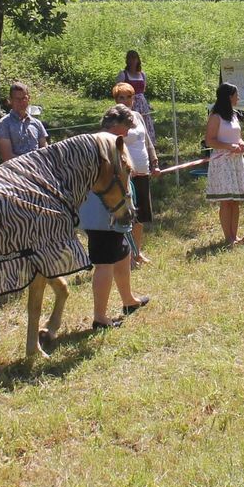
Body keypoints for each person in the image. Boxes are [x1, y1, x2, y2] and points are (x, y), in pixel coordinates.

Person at [79, 105, 151, 329]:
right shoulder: (103, 142)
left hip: (114, 211)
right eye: (126, 127)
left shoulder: (108, 142)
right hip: (102, 214)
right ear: (116, 124)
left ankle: (128, 300)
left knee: (122, 253)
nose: (128, 132)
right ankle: (100, 318)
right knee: (104, 263)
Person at [112, 82, 158, 264]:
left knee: (140, 216)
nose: (125, 101)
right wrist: (124, 170)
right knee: (126, 216)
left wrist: (154, 161)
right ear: (115, 100)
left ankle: (137, 253)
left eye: (128, 97)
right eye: (121, 97)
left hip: (143, 172)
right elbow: (112, 146)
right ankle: (125, 255)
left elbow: (146, 140)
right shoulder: (113, 119)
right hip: (125, 176)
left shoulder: (138, 116)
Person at [204, 82, 244, 244]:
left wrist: (241, 143)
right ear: (228, 97)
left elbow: (236, 135)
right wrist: (228, 146)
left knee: (235, 200)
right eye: (236, 94)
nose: (238, 97)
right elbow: (209, 140)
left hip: (235, 161)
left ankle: (235, 235)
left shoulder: (233, 115)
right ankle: (228, 238)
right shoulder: (215, 116)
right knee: (226, 201)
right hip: (222, 161)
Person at [0, 80, 48, 163]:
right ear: (10, 100)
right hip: (16, 172)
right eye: (17, 99)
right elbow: (7, 157)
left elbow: (45, 150)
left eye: (24, 98)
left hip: (39, 169)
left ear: (28, 98)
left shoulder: (37, 123)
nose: (21, 102)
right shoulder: (4, 124)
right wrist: (31, 163)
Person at [117, 49, 157, 140]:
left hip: (142, 103)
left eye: (134, 58)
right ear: (127, 61)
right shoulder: (123, 74)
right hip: (129, 102)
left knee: (144, 123)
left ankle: (147, 144)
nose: (132, 61)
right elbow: (117, 90)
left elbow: (143, 90)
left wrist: (147, 104)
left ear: (138, 60)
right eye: (130, 59)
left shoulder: (142, 74)